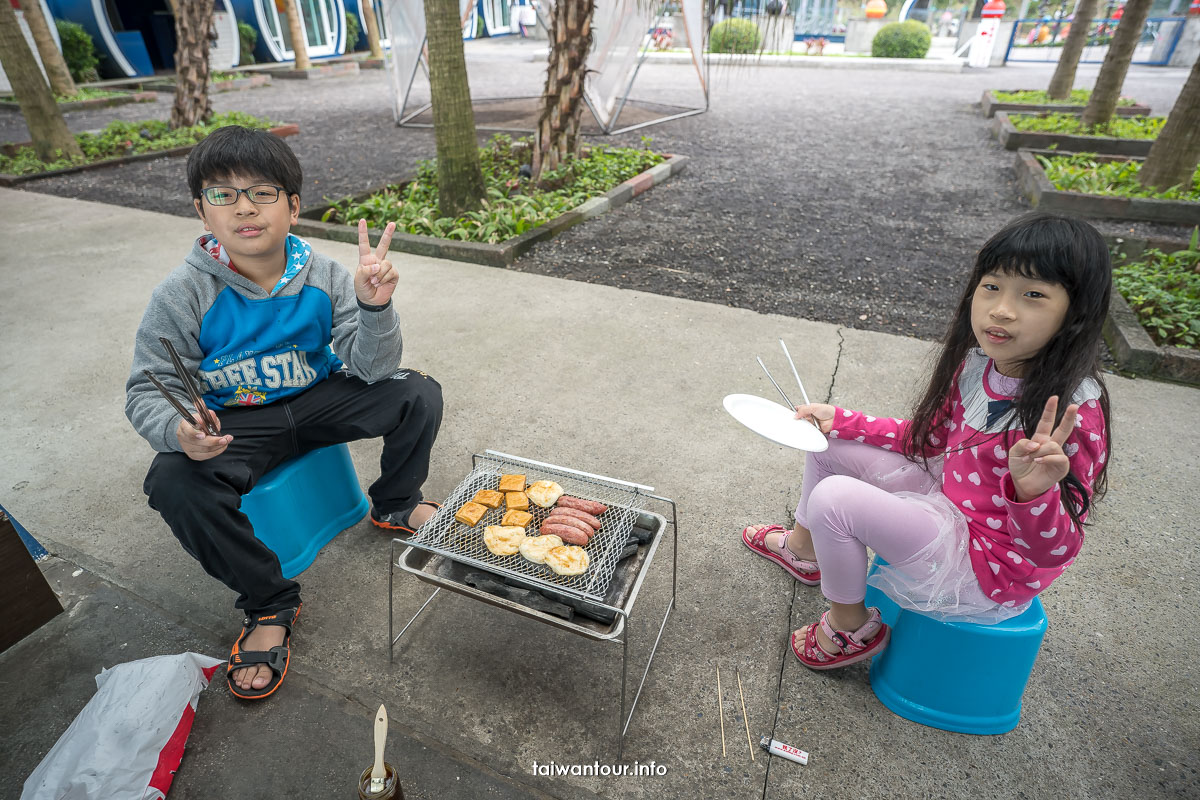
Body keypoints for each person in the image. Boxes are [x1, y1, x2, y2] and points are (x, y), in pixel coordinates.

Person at [125, 126, 444, 700]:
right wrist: (179, 432)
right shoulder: (181, 293)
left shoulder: (322, 275)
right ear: (202, 211)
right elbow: (146, 388)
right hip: (235, 422)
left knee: (416, 391)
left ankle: (396, 503)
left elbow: (373, 368)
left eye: (263, 192)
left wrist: (375, 308)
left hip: (318, 398)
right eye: (223, 194)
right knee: (172, 479)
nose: (244, 207)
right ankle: (268, 602)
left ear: (293, 206)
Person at [741, 212, 1111, 671]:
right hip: (946, 503)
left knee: (836, 500)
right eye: (992, 286)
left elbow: (1052, 550)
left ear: (1075, 313)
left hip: (987, 566)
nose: (1001, 309)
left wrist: (1033, 493)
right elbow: (927, 441)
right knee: (827, 447)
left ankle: (847, 628)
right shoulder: (979, 364)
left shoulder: (1074, 412)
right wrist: (841, 420)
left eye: (1033, 295)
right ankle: (804, 551)